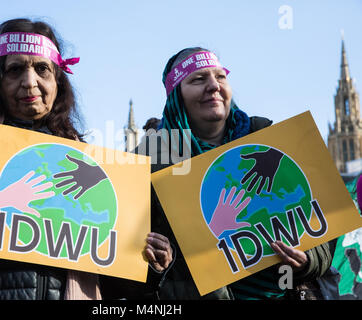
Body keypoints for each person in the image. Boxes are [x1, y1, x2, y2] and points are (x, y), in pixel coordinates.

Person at [0, 18, 172, 300]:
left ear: (58, 81)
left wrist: (149, 264)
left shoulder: (85, 164)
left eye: (42, 69)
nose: (29, 82)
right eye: (15, 70)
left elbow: (110, 284)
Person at [134, 47, 332, 300]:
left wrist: (308, 260)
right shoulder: (149, 161)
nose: (214, 86)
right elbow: (134, 265)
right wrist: (157, 265)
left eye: (221, 77)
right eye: (198, 79)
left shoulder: (268, 139)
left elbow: (324, 228)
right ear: (176, 95)